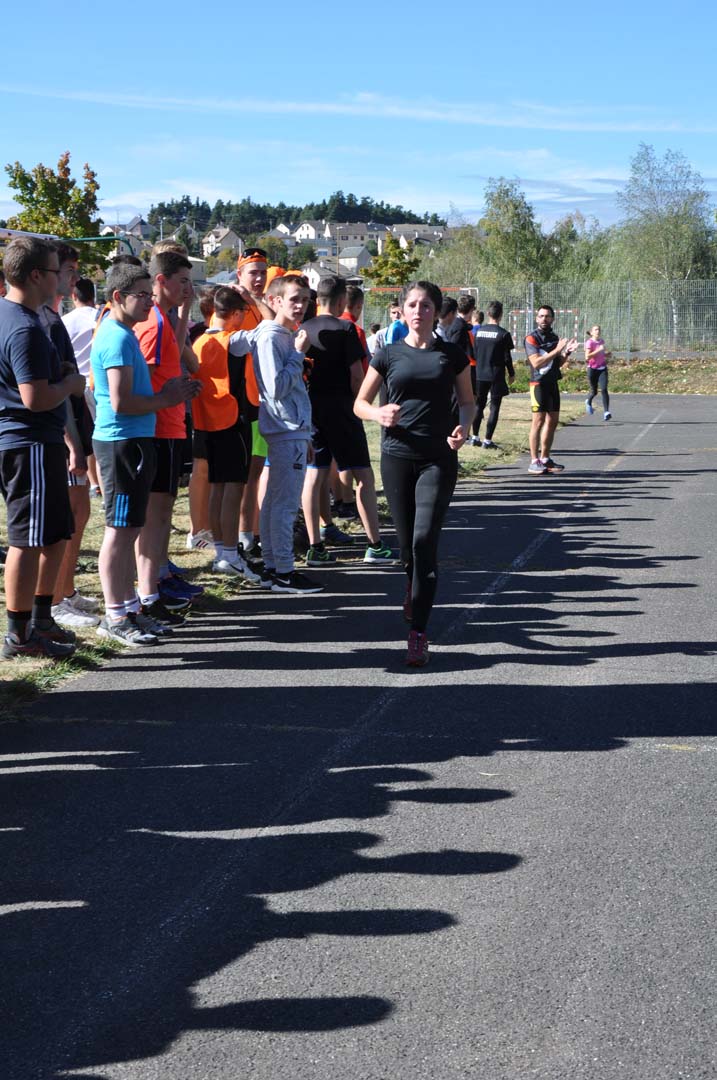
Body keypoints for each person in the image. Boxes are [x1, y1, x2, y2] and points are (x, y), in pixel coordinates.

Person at [354, 280, 475, 668]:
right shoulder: (387, 354)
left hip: (438, 457)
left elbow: (469, 402)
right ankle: (413, 581)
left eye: (426, 305)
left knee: (425, 542)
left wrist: (465, 428)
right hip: (396, 456)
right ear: (402, 311)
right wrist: (378, 414)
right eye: (412, 304)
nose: (419, 311)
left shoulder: (452, 354)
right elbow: (359, 403)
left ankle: (418, 633)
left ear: (436, 312)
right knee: (407, 547)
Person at [91, 262, 200, 644]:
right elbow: (120, 402)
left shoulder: (125, 333)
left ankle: (131, 609)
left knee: (130, 528)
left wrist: (166, 395)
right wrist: (165, 398)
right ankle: (115, 615)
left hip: (133, 441)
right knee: (120, 533)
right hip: (123, 442)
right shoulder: (118, 338)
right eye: (142, 294)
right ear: (119, 297)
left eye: (149, 294)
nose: (149, 301)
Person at [0, 236, 85, 659]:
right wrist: (70, 384)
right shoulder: (23, 327)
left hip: (36, 441)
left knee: (53, 534)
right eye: (56, 271)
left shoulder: (14, 316)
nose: (62, 279)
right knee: (27, 539)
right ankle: (18, 634)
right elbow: (34, 397)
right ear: (36, 275)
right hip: (27, 440)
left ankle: (41, 619)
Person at [229, 275, 324, 594]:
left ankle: (274, 565)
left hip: (292, 431)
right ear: (275, 301)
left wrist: (306, 435)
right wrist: (298, 355)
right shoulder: (274, 337)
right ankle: (283, 569)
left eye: (306, 300)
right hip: (284, 429)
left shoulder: (280, 334)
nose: (301, 306)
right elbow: (275, 388)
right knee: (284, 504)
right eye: (294, 299)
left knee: (274, 501)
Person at [300, 274, 394, 568]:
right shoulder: (347, 329)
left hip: (312, 409)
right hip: (342, 408)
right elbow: (357, 375)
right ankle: (374, 544)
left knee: (314, 476)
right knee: (363, 476)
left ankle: (315, 546)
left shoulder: (301, 329)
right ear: (342, 301)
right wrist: (360, 402)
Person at [133, 250, 202, 612]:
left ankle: (158, 576)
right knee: (155, 513)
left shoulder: (162, 318)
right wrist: (167, 395)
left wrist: (187, 310)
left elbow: (174, 350)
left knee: (163, 510)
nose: (188, 288)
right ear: (161, 281)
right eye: (183, 281)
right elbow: (138, 376)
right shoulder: (151, 322)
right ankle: (151, 586)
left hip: (171, 423)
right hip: (158, 427)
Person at [192, 286, 259, 582]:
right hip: (233, 419)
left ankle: (222, 551)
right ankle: (231, 553)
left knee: (217, 489)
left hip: (206, 422)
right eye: (243, 313)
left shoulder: (198, 342)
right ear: (234, 314)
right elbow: (272, 330)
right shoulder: (235, 340)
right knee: (233, 489)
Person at [524, 305, 578, 475]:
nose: (544, 319)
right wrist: (557, 350)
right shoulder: (531, 338)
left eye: (547, 316)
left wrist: (566, 353)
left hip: (552, 382)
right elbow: (537, 363)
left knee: (552, 420)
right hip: (538, 384)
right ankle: (534, 461)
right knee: (538, 421)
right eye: (541, 316)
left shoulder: (555, 338)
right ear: (536, 318)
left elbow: (557, 363)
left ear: (552, 319)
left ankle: (545, 458)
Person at [470, 300, 515, 448]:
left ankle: (475, 437)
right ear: (501, 315)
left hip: (480, 373)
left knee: (479, 405)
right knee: (494, 407)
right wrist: (511, 373)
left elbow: (474, 353)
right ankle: (487, 441)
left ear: (488, 314)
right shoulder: (503, 334)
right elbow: (507, 357)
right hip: (496, 374)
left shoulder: (479, 332)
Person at [585, 323, 612, 420]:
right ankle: (588, 401)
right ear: (591, 332)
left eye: (599, 329)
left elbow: (602, 354)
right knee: (594, 391)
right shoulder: (589, 343)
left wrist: (607, 354)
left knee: (604, 389)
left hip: (602, 368)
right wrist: (598, 350)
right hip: (592, 369)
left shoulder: (602, 341)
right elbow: (587, 356)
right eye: (596, 329)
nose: (598, 331)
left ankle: (606, 412)